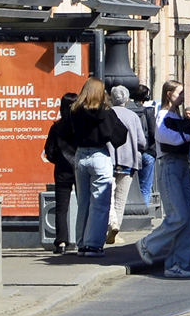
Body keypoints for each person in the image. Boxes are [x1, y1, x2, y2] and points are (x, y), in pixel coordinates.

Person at [136, 80, 190, 279]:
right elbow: (166, 138)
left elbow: (187, 150)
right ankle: (147, 244)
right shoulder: (162, 115)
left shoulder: (176, 117)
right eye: (179, 93)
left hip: (181, 165)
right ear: (168, 94)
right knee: (178, 215)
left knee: (188, 220)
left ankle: (176, 264)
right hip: (169, 167)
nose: (182, 97)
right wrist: (188, 138)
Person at [61, 77, 128, 258]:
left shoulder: (74, 111)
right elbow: (120, 136)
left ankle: (82, 243)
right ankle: (93, 245)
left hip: (81, 156)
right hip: (99, 155)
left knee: (83, 202)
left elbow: (65, 132)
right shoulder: (106, 113)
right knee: (100, 203)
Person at [106, 85, 147, 245]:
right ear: (127, 99)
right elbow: (141, 142)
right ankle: (116, 231)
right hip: (128, 161)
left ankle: (111, 223)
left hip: (108, 160)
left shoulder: (107, 114)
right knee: (120, 199)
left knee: (107, 197)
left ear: (111, 98)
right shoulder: (133, 116)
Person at [43, 92, 78, 254]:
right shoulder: (80, 126)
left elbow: (48, 152)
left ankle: (61, 242)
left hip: (62, 169)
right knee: (83, 204)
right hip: (79, 168)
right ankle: (82, 239)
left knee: (61, 207)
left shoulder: (56, 127)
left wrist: (59, 160)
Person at [131, 84, 158, 207]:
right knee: (145, 187)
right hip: (147, 153)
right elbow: (153, 132)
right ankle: (144, 211)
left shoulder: (128, 110)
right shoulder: (148, 111)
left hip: (131, 153)